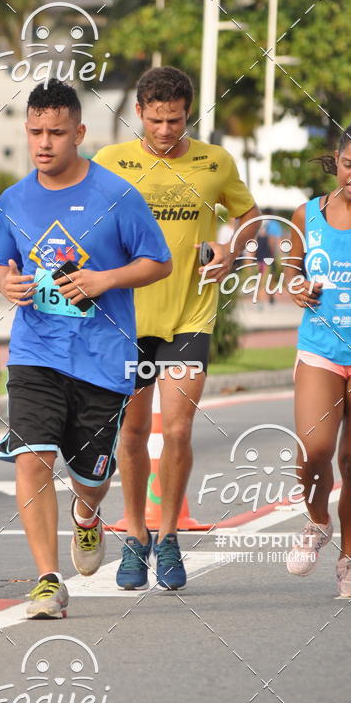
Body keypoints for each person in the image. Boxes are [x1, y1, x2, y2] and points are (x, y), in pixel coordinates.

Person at [0, 79, 171, 619]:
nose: (44, 143)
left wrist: (104, 281)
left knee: (90, 477)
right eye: (35, 132)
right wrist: (5, 282)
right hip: (35, 351)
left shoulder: (116, 195)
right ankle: (48, 580)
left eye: (56, 133)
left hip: (103, 357)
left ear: (80, 133)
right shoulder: (14, 199)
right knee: (31, 455)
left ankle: (88, 514)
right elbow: (3, 262)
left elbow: (158, 261)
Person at [94, 66, 260, 591]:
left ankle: (168, 538)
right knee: (134, 432)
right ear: (139, 111)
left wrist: (233, 249)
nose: (166, 130)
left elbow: (252, 218)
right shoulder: (110, 162)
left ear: (189, 113)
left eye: (176, 120)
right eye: (157, 120)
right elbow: (84, 222)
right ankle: (136, 536)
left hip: (190, 315)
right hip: (127, 320)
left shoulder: (215, 162)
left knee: (180, 430)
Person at [285, 124, 351, 597]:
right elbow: (291, 273)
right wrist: (297, 288)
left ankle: (350, 558)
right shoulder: (308, 214)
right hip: (321, 350)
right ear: (337, 159)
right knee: (315, 450)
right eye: (350, 165)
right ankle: (316, 520)